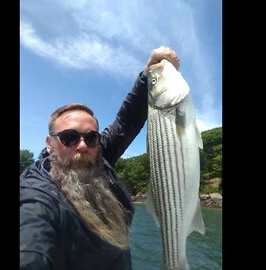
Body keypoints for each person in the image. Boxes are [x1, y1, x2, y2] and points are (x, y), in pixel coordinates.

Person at [20, 47, 181, 270]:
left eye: (91, 137)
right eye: (69, 137)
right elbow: (31, 241)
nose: (82, 145)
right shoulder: (36, 194)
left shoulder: (97, 155)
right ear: (49, 144)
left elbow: (126, 122)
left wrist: (149, 76)